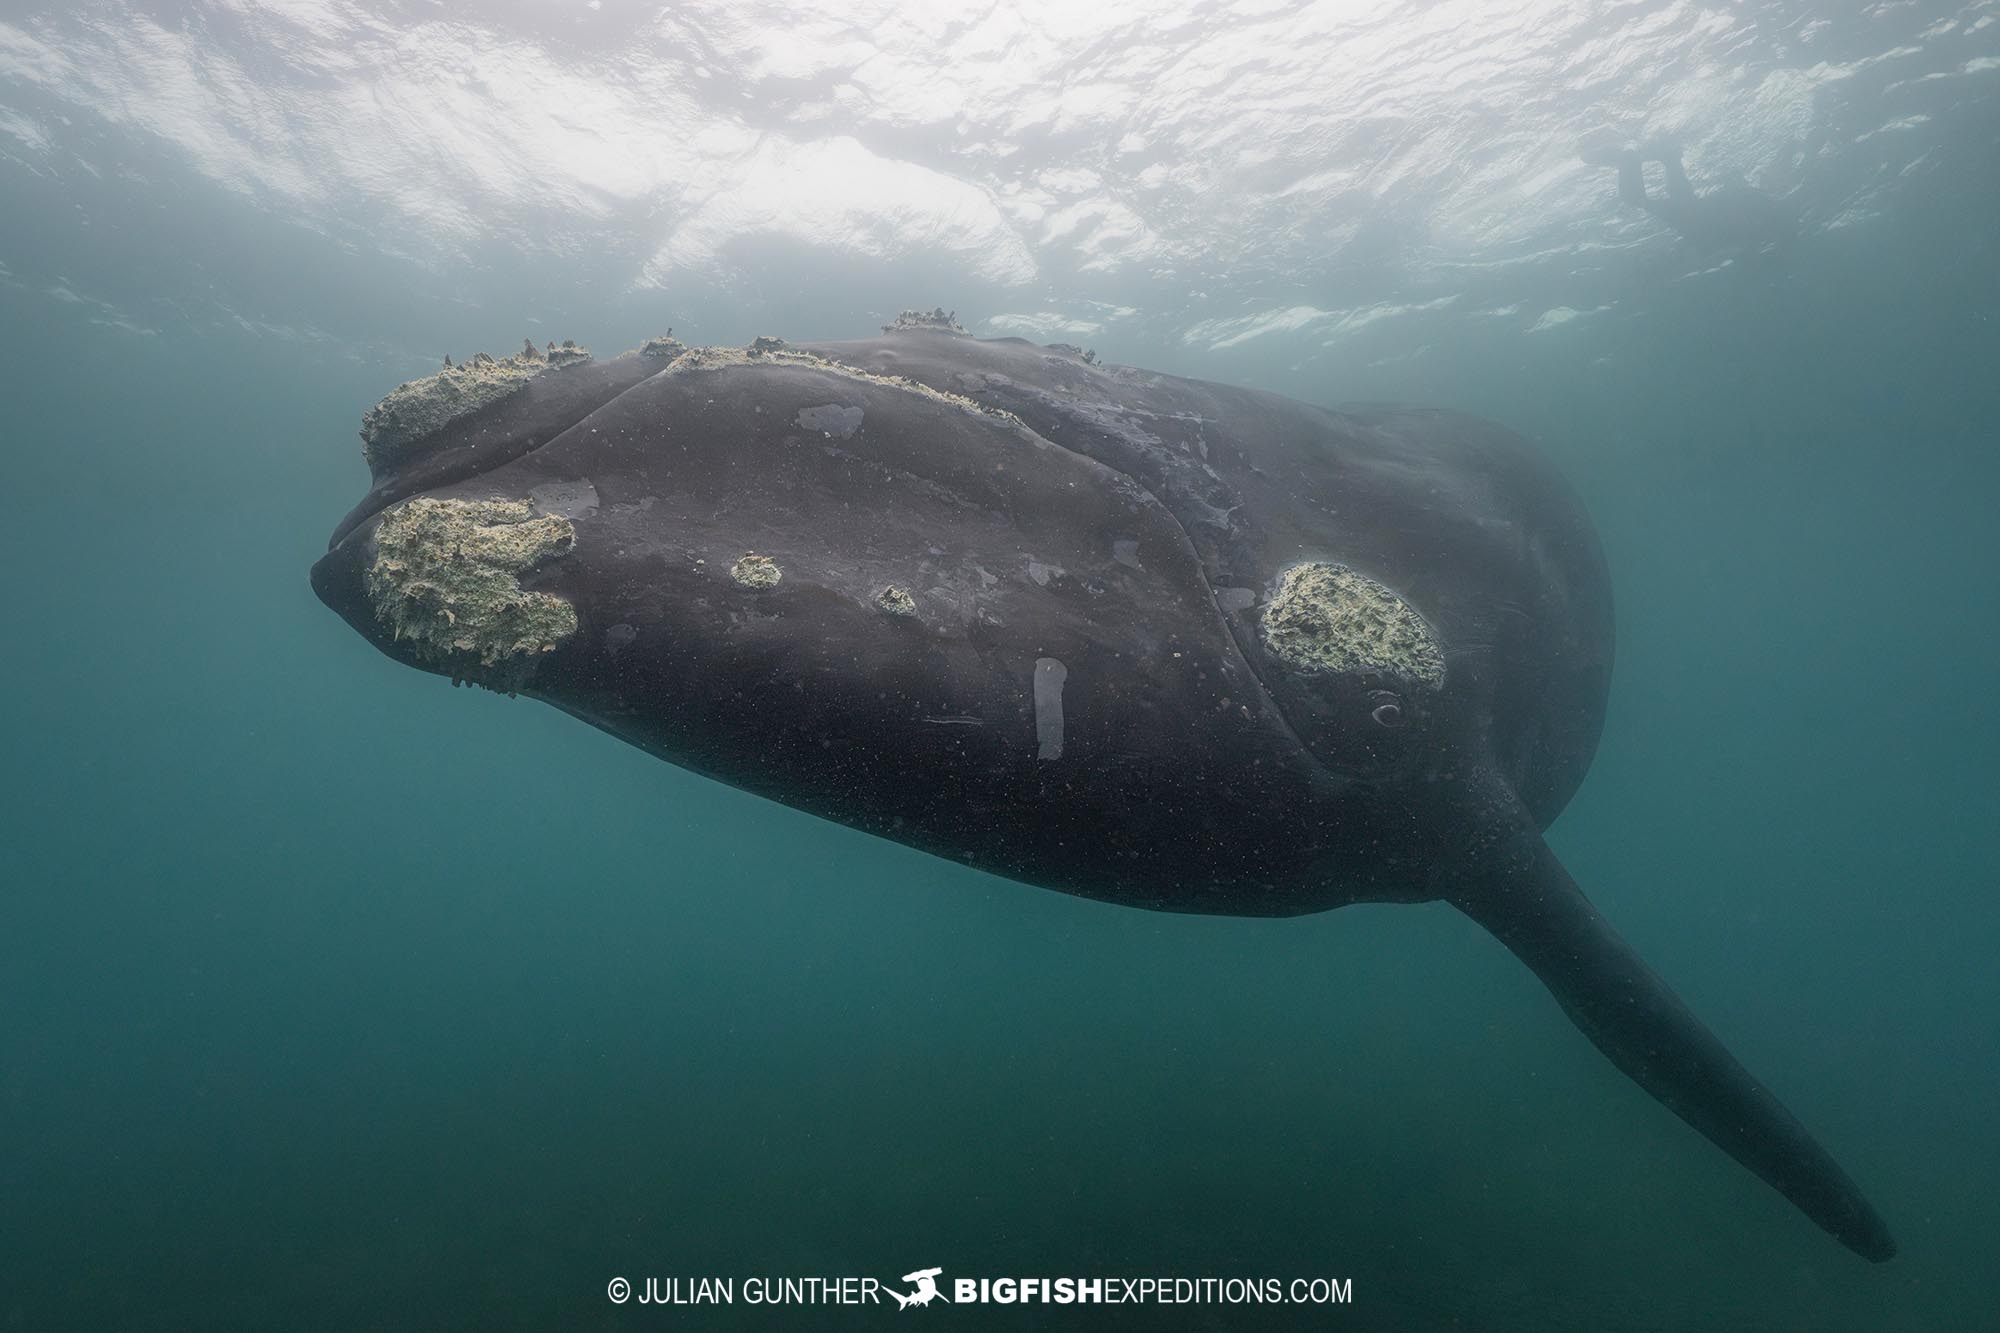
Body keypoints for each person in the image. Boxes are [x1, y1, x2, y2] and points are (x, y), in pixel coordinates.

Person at [1581, 136, 1794, 253]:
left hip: (1698, 216)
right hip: (1697, 220)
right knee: (1637, 200)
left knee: (1665, 173)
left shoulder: (1761, 206)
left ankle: (1658, 153)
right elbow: (1731, 219)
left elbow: (1733, 205)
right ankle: (1629, 151)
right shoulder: (1765, 216)